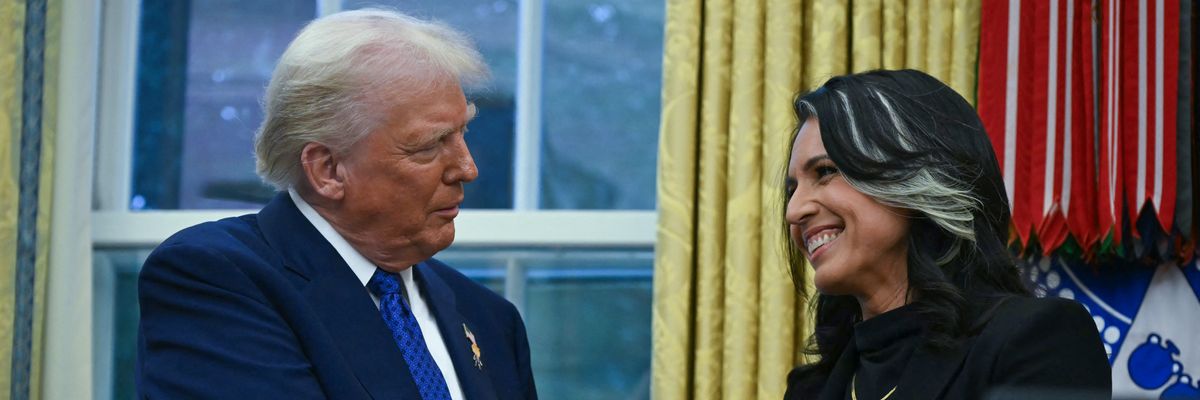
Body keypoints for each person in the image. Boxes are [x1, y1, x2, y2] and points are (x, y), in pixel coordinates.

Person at [136, 9, 537, 399]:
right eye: (431, 145)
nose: (468, 168)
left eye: (463, 132)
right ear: (327, 170)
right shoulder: (213, 279)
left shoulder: (488, 318)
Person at [781, 70, 1110, 399]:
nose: (793, 212)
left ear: (916, 176)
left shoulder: (1039, 339)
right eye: (792, 190)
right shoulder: (810, 388)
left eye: (825, 172)